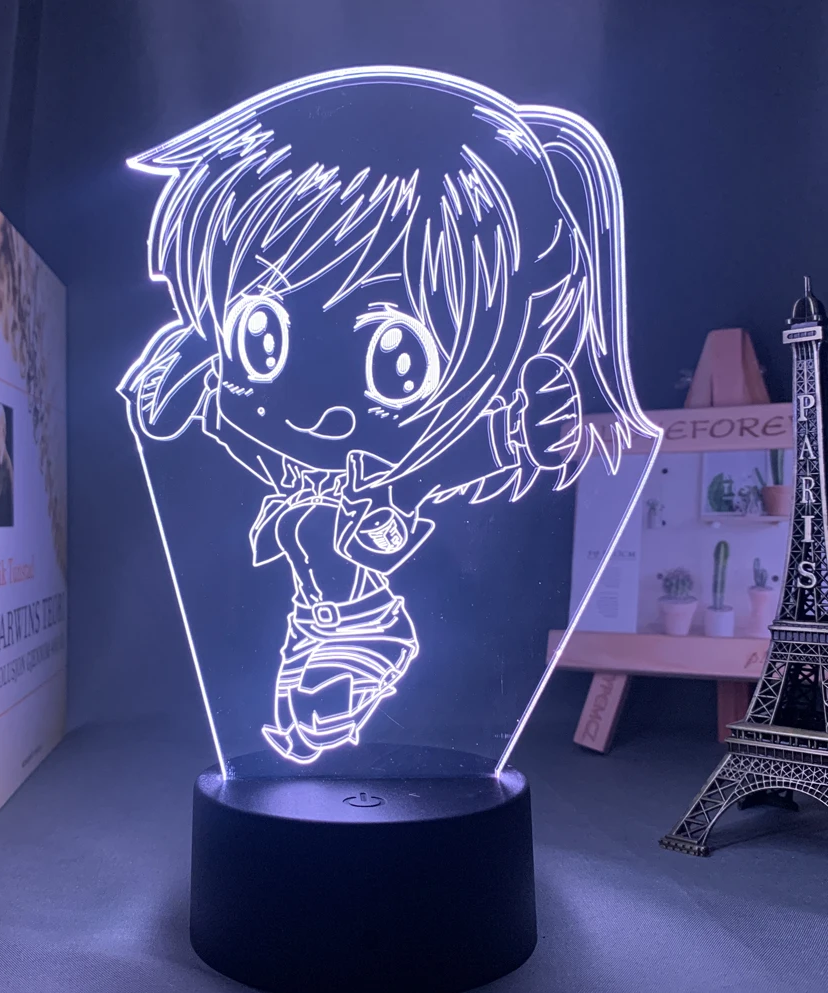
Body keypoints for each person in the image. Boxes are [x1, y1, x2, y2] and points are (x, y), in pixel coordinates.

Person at [120, 69, 655, 763]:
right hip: (322, 611)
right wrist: (192, 371)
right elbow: (201, 419)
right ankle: (325, 676)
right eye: (262, 337)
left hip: (364, 606)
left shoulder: (405, 473)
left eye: (395, 360)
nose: (316, 411)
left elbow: (482, 454)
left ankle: (345, 664)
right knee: (304, 673)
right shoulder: (263, 437)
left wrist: (535, 433)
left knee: (317, 657)